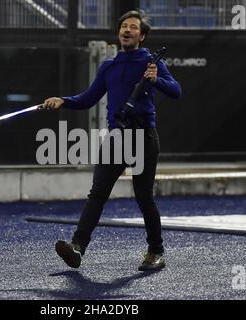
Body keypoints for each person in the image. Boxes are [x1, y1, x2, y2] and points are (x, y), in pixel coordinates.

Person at [42, 10, 182, 271]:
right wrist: (63, 101)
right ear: (119, 33)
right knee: (97, 195)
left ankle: (155, 252)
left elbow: (176, 91)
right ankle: (77, 248)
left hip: (143, 138)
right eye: (123, 27)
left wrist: (157, 79)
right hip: (116, 137)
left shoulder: (151, 62)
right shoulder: (109, 65)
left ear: (141, 35)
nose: (126, 30)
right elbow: (88, 97)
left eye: (133, 27)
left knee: (144, 198)